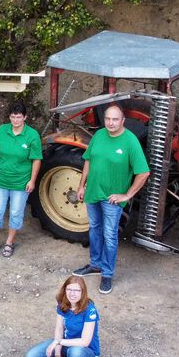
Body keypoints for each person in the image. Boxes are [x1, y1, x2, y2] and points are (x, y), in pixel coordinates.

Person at [75, 104, 151, 294]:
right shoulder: (99, 135)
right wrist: (81, 185)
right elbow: (88, 160)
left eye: (115, 119)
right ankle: (95, 264)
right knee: (94, 229)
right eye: (108, 119)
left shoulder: (130, 141)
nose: (110, 123)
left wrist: (127, 195)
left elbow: (143, 172)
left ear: (122, 121)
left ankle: (107, 274)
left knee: (109, 236)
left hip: (112, 200)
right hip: (92, 193)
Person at [0, 102, 43, 258]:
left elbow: (36, 159)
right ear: (9, 117)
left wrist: (32, 180)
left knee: (15, 212)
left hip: (20, 182)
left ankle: (9, 242)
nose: (16, 120)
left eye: (19, 117)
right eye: (13, 117)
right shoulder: (2, 131)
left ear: (25, 117)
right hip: (1, 179)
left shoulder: (32, 135)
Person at [24, 275, 101, 357]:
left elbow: (85, 341)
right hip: (66, 344)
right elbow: (59, 329)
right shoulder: (63, 305)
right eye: (69, 289)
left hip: (85, 350)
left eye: (77, 290)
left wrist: (58, 342)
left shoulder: (90, 310)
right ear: (64, 290)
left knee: (75, 353)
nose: (72, 294)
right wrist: (57, 355)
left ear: (83, 292)